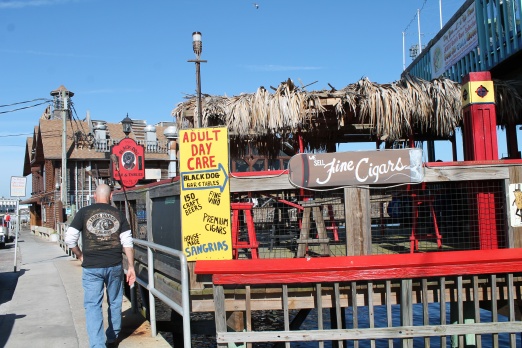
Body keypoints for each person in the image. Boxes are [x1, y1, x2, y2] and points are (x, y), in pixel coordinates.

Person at [65, 184, 136, 348]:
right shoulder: (118, 214)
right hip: (114, 265)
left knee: (93, 306)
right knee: (115, 301)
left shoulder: (83, 212)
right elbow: (127, 243)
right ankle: (113, 335)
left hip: (91, 267)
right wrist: (131, 266)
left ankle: (97, 345)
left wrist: (80, 255)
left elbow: (70, 239)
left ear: (94, 197)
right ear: (111, 197)